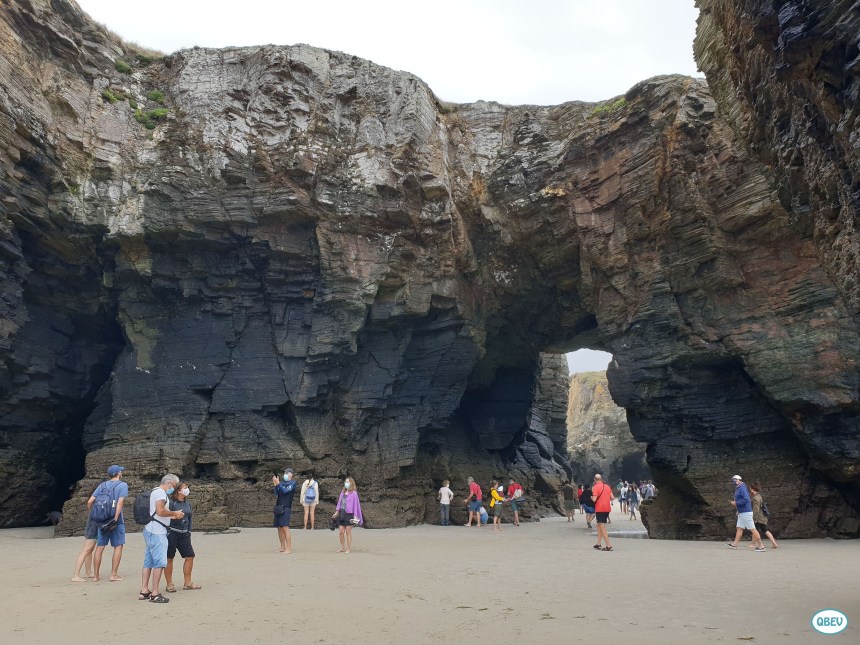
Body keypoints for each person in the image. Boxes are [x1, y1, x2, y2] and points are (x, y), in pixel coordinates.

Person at [140, 474, 185, 603]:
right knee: (159, 562)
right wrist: (174, 513)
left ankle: (144, 591)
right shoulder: (160, 493)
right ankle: (155, 593)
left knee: (148, 562)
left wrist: (172, 516)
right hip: (157, 532)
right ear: (170, 483)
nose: (174, 488)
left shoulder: (154, 491)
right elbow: (160, 511)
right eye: (175, 486)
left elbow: (157, 513)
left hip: (150, 529)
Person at [92, 465, 129, 582]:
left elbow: (90, 501)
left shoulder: (102, 485)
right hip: (116, 521)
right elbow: (120, 503)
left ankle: (96, 576)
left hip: (102, 520)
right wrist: (115, 518)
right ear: (118, 473)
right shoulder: (123, 485)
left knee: (100, 547)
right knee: (118, 546)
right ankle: (113, 575)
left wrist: (94, 515)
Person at [164, 483, 200, 592]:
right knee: (169, 558)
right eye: (185, 488)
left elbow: (190, 517)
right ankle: (169, 584)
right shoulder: (171, 503)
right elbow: (164, 516)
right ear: (178, 491)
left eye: (187, 488)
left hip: (185, 534)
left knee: (190, 556)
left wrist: (189, 530)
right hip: (172, 533)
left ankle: (187, 583)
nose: (187, 490)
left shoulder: (188, 503)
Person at [725, 475, 764, 551]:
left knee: (752, 529)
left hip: (746, 513)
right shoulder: (739, 488)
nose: (733, 481)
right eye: (733, 480)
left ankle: (761, 546)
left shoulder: (742, 488)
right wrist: (738, 510)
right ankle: (734, 544)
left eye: (734, 480)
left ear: (739, 480)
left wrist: (736, 503)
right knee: (739, 528)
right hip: (742, 512)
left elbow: (747, 500)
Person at [70, 484, 99, 582]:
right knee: (86, 550)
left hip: (90, 526)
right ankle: (76, 575)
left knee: (89, 550)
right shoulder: (96, 501)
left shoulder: (93, 500)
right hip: (93, 528)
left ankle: (88, 572)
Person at [332, 477, 363, 553]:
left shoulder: (354, 493)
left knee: (348, 532)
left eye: (348, 482)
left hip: (350, 514)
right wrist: (336, 512)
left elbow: (356, 505)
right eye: (345, 482)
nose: (346, 483)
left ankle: (348, 548)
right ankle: (342, 547)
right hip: (342, 514)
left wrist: (356, 515)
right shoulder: (342, 492)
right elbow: (339, 503)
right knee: (341, 532)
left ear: (351, 483)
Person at [272, 467, 297, 553]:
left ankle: (289, 548)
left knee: (285, 527)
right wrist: (276, 484)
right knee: (279, 527)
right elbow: (276, 493)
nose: (285, 474)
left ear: (291, 474)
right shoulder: (281, 483)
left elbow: (286, 491)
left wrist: (278, 484)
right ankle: (282, 547)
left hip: (286, 507)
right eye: (285, 473)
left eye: (287, 473)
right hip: (278, 506)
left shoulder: (293, 483)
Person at [749, 481, 779, 549]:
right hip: (763, 516)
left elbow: (756, 509)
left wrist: (754, 518)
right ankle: (774, 543)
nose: (750, 490)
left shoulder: (755, 498)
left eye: (750, 488)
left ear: (753, 489)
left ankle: (754, 544)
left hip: (759, 517)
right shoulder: (759, 496)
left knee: (754, 530)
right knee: (765, 530)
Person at [591, 474, 614, 551]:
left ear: (595, 480)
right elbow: (612, 497)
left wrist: (591, 497)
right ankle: (598, 543)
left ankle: (608, 545)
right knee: (599, 525)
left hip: (600, 508)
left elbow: (594, 499)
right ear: (601, 479)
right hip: (607, 508)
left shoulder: (595, 487)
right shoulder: (607, 486)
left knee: (602, 526)